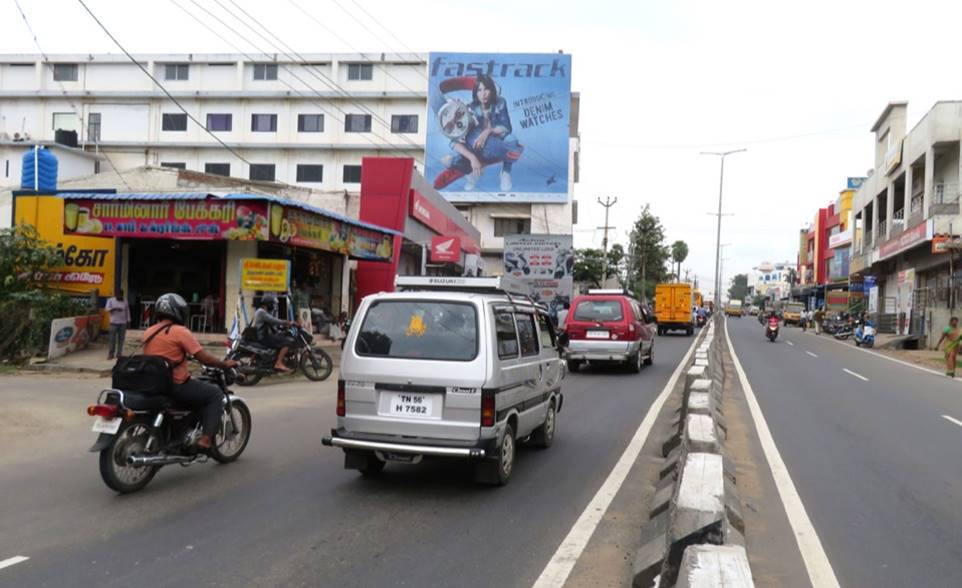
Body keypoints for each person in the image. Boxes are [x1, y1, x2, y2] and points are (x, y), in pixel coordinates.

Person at [143, 293, 238, 451]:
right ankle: (206, 439)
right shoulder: (180, 331)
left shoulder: (149, 331)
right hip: (175, 386)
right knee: (214, 394)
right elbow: (204, 358)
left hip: (154, 385)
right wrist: (223, 364)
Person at [444, 74, 523, 192]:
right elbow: (454, 141)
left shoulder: (500, 102)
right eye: (479, 90)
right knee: (451, 160)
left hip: (496, 142)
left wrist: (488, 131)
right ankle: (473, 173)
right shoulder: (470, 109)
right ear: (475, 93)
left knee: (512, 140)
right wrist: (472, 158)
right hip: (478, 148)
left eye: (486, 89)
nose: (483, 94)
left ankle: (505, 173)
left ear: (492, 90)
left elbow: (507, 127)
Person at [253, 293, 296, 372]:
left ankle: (276, 360)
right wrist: (287, 322)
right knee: (287, 342)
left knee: (280, 337)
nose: (273, 306)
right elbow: (274, 320)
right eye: (272, 304)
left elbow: (272, 324)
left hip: (263, 336)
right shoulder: (262, 312)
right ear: (268, 304)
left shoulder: (261, 311)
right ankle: (278, 363)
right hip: (263, 337)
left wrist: (281, 328)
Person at [105, 289, 131, 360]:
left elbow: (127, 311)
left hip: (123, 323)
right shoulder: (110, 300)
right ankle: (111, 354)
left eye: (121, 295)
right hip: (113, 323)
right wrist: (115, 309)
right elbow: (107, 309)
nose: (119, 296)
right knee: (112, 339)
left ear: (122, 295)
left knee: (121, 339)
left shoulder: (125, 300)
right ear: (115, 295)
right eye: (118, 295)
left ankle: (119, 354)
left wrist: (128, 321)